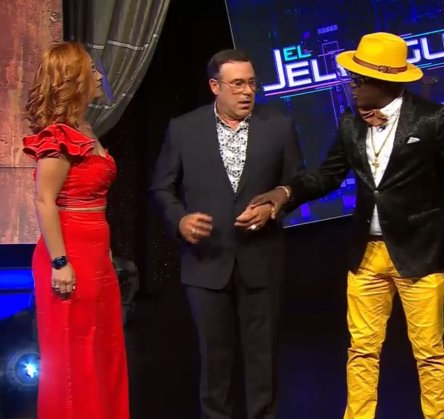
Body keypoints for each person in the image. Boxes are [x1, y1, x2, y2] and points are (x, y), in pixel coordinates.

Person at [250, 32, 444, 419]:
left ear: (385, 81)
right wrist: (284, 192)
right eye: (352, 79)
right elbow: (327, 176)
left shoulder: (432, 119)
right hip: (366, 255)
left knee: (429, 353)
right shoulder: (350, 123)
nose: (352, 86)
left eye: (359, 80)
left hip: (419, 253)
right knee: (361, 351)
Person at [149, 49, 304, 419]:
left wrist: (274, 206)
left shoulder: (278, 126)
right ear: (215, 86)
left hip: (261, 260)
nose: (247, 91)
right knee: (214, 360)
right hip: (206, 261)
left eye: (251, 83)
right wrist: (180, 220)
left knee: (263, 360)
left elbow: (297, 182)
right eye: (237, 84)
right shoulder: (183, 129)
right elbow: (161, 188)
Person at [22, 41, 129, 419]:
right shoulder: (58, 136)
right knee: (74, 358)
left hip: (96, 253)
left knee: (102, 350)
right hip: (68, 253)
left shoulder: (85, 128)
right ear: (74, 78)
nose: (99, 75)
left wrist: (105, 252)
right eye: (92, 69)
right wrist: (60, 261)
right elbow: (44, 200)